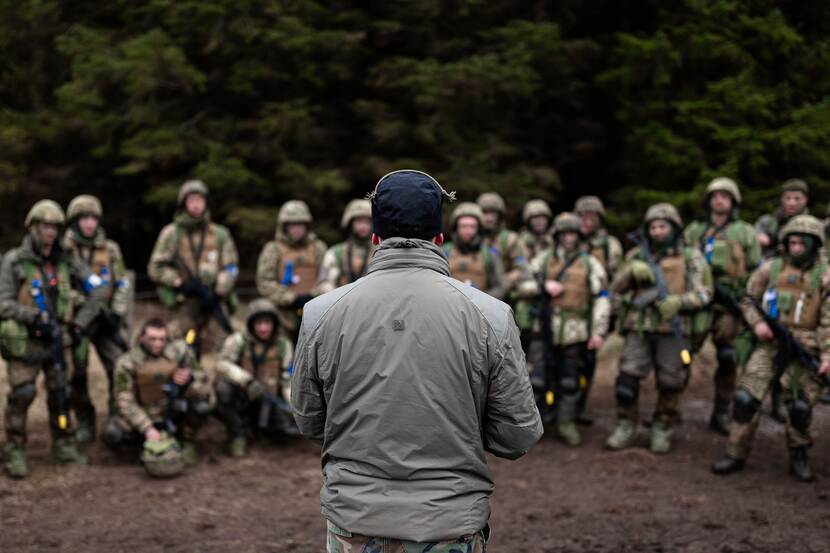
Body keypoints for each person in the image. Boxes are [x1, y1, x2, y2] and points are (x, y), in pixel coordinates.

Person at [292, 169, 542, 551]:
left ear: (376, 238)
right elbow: (517, 434)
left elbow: (310, 421)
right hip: (449, 525)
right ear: (440, 239)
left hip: (356, 524)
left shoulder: (321, 313)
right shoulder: (490, 315)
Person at [711, 215, 830, 482]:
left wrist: (827, 356)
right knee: (745, 400)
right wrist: (757, 324)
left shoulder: (824, 276)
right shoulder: (771, 269)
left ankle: (799, 453)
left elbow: (828, 321)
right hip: (769, 344)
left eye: (802, 243)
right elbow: (747, 299)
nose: (795, 248)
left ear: (814, 244)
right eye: (792, 242)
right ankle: (735, 452)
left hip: (805, 348)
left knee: (800, 408)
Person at [0, 200, 107, 478]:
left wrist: (79, 324)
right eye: (45, 226)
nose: (50, 232)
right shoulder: (14, 260)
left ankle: (63, 442)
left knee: (61, 393)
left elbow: (97, 290)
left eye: (55, 227)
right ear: (33, 227)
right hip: (26, 340)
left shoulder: (66, 259)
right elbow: (3, 303)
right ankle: (14, 448)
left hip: (59, 339)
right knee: (23, 394)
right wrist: (33, 317)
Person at [606, 203, 712, 454]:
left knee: (671, 382)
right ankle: (625, 425)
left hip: (673, 330)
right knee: (626, 381)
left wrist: (679, 302)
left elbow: (705, 293)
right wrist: (629, 272)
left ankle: (662, 426)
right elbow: (613, 293)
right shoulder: (636, 256)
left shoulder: (691, 257)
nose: (657, 231)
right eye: (653, 227)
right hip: (639, 328)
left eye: (663, 226)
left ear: (674, 228)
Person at [517, 212, 610, 445]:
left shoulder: (590, 263)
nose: (568, 238)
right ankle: (533, 425)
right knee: (536, 379)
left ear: (579, 235)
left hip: (576, 331)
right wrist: (542, 285)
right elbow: (521, 285)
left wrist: (598, 331)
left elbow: (602, 297)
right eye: (564, 234)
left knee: (570, 381)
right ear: (557, 235)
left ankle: (565, 422)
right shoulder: (543, 260)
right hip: (544, 328)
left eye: (572, 233)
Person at [683, 178, 761, 434]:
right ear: (708, 201)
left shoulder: (745, 232)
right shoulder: (695, 230)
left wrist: (745, 301)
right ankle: (668, 409)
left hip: (729, 305)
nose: (719, 200)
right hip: (699, 302)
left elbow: (755, 271)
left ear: (733, 201)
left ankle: (720, 413)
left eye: (725, 196)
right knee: (682, 355)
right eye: (715, 196)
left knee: (728, 358)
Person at [62, 194, 132, 443]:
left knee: (119, 366)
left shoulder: (110, 249)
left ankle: (117, 417)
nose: (89, 223)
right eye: (84, 218)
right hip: (78, 322)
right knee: (77, 372)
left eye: (93, 218)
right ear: (75, 221)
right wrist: (82, 303)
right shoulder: (64, 249)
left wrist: (116, 311)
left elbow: (122, 282)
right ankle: (84, 420)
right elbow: (60, 287)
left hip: (107, 321)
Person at [106, 318, 212, 476]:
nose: (157, 344)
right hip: (144, 413)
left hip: (174, 410)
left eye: (162, 339)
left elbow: (203, 379)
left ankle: (187, 441)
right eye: (152, 339)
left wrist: (189, 379)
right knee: (114, 432)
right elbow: (124, 401)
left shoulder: (180, 352)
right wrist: (147, 428)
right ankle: (140, 448)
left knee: (201, 406)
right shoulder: (126, 362)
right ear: (142, 338)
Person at [147, 180, 239, 355]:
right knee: (181, 348)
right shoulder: (172, 234)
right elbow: (155, 267)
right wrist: (178, 282)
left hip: (214, 300)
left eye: (200, 200)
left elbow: (231, 267)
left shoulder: (219, 234)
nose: (196, 205)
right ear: (184, 204)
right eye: (191, 200)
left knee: (228, 347)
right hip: (184, 303)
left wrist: (220, 288)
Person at [215, 298, 294, 457]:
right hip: (243, 393)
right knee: (223, 389)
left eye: (267, 323)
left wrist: (294, 406)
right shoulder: (238, 341)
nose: (263, 328)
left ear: (274, 324)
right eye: (259, 323)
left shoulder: (284, 345)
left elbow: (287, 379)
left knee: (282, 431)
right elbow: (221, 364)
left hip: (269, 396)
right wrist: (247, 381)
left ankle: (257, 429)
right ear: (251, 324)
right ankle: (237, 435)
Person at [256, 200, 327, 342]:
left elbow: (327, 277)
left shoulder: (318, 248)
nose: (297, 229)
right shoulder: (273, 249)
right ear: (284, 227)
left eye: (300, 224)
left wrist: (313, 296)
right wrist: (290, 298)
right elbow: (264, 281)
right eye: (292, 225)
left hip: (316, 311)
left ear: (307, 226)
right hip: (282, 315)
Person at [443, 201, 507, 299]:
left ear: (479, 228)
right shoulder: (445, 252)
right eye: (463, 226)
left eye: (472, 226)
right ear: (456, 228)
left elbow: (500, 286)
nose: (468, 231)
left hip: (480, 307)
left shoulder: (489, 254)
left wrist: (482, 300)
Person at [315, 199, 374, 295]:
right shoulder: (335, 253)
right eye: (359, 221)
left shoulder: (380, 252)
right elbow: (324, 283)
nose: (363, 226)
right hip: (341, 304)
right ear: (350, 224)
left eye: (367, 222)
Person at [477, 192, 528, 294]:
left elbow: (521, 268)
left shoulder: (510, 239)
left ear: (499, 216)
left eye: (492, 213)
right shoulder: (471, 237)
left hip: (503, 290)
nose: (489, 218)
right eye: (485, 213)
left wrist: (504, 281)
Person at [755, 179, 809, 259]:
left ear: (805, 200)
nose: (791, 203)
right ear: (782, 199)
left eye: (797, 198)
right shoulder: (766, 222)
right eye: (787, 198)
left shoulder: (813, 225)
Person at [575, 196, 623, 279]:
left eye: (592, 218)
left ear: (599, 220)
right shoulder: (567, 241)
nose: (588, 222)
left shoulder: (610, 243)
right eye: (583, 217)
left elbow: (616, 275)